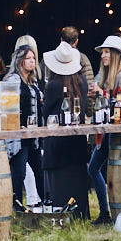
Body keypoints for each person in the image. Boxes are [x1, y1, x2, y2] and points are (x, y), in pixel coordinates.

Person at [87, 34, 121, 224]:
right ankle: (105, 212)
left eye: (107, 52)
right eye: (103, 52)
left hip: (119, 134)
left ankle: (107, 212)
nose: (103, 55)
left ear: (116, 55)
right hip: (108, 133)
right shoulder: (110, 77)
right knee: (94, 169)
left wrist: (102, 94)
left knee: (95, 168)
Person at [40, 41, 90, 218]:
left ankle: (62, 218)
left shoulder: (53, 85)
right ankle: (81, 216)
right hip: (77, 140)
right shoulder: (82, 81)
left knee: (60, 186)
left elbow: (45, 113)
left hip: (57, 143)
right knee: (78, 182)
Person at [2, 42, 45, 211]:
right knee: (19, 172)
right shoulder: (13, 80)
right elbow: (0, 96)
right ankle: (16, 206)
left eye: (33, 58)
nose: (32, 61)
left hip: (33, 135)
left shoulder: (32, 81)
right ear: (20, 62)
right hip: (19, 136)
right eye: (28, 58)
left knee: (39, 170)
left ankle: (42, 205)